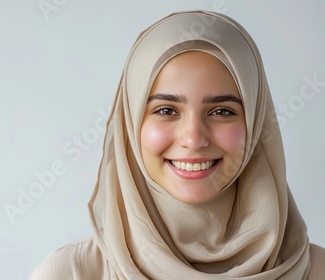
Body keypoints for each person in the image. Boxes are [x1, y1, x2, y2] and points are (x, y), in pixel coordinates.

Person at [30, 10, 325, 279]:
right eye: (166, 110)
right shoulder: (72, 273)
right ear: (131, 126)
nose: (194, 139)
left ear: (256, 123)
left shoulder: (317, 270)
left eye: (222, 111)